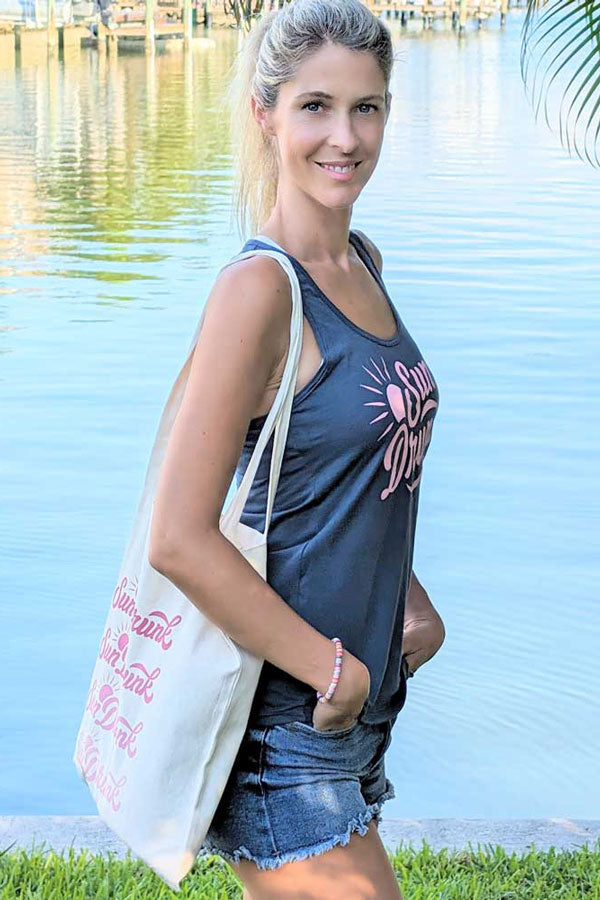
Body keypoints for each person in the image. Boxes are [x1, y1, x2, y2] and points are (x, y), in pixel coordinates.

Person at [149, 0, 445, 896]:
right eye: (315, 106)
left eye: (367, 107)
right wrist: (329, 667)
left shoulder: (363, 263)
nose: (344, 137)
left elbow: (349, 474)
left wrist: (412, 603)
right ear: (264, 113)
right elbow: (178, 536)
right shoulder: (259, 293)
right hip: (285, 724)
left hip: (350, 714)